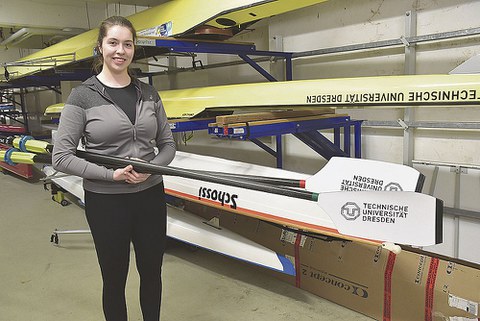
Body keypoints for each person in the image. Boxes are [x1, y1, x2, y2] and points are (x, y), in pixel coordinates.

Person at [52, 15, 176, 321]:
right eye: (113, 43)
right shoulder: (82, 96)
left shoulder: (148, 93)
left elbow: (169, 145)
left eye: (127, 44)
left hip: (149, 197)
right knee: (114, 278)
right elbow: (61, 156)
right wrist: (111, 174)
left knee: (152, 273)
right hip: (106, 202)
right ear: (100, 47)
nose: (120, 50)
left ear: (134, 49)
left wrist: (151, 169)